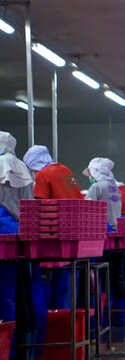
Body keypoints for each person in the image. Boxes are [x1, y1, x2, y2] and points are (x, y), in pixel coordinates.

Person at [23, 145, 83, 310]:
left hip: (54, 236)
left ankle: (53, 322)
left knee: (49, 282)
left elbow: (38, 206)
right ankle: (68, 321)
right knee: (68, 281)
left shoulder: (43, 175)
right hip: (74, 233)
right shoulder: (66, 170)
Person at [0, 132, 41, 357]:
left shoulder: (1, 164)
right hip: (22, 233)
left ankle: (8, 346)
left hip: (3, 233)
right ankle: (25, 346)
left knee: (6, 295)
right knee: (24, 292)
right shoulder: (22, 167)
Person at [82, 158, 125, 322]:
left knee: (97, 281)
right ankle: (121, 317)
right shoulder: (115, 187)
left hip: (102, 239)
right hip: (117, 238)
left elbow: (86, 210)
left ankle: (98, 321)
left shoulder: (96, 187)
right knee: (117, 278)